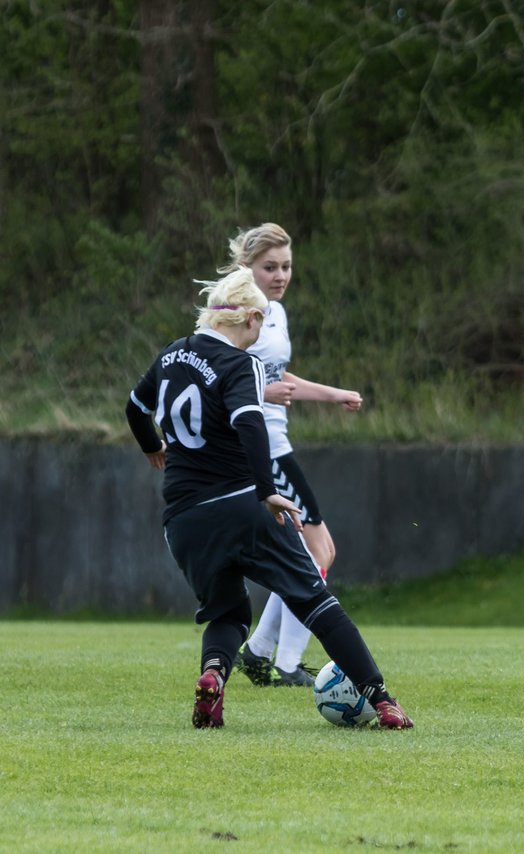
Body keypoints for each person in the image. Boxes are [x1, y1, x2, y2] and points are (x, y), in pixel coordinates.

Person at [124, 266, 413, 729]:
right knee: (316, 602)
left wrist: (153, 447)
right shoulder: (244, 364)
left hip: (183, 519)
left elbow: (134, 409)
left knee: (228, 611)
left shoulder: (172, 355)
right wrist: (268, 491)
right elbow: (249, 424)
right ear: (251, 319)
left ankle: (213, 676)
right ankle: (382, 700)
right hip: (242, 505)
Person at [219, 223, 364, 688]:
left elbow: (282, 379)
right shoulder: (234, 313)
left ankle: (262, 653)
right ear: (247, 268)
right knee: (319, 551)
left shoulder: (274, 312)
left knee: (305, 553)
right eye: (269, 267)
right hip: (263, 450)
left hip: (280, 446)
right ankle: (281, 663)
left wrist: (333, 394)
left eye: (286, 266)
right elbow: (217, 379)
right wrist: (267, 392)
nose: (280, 275)